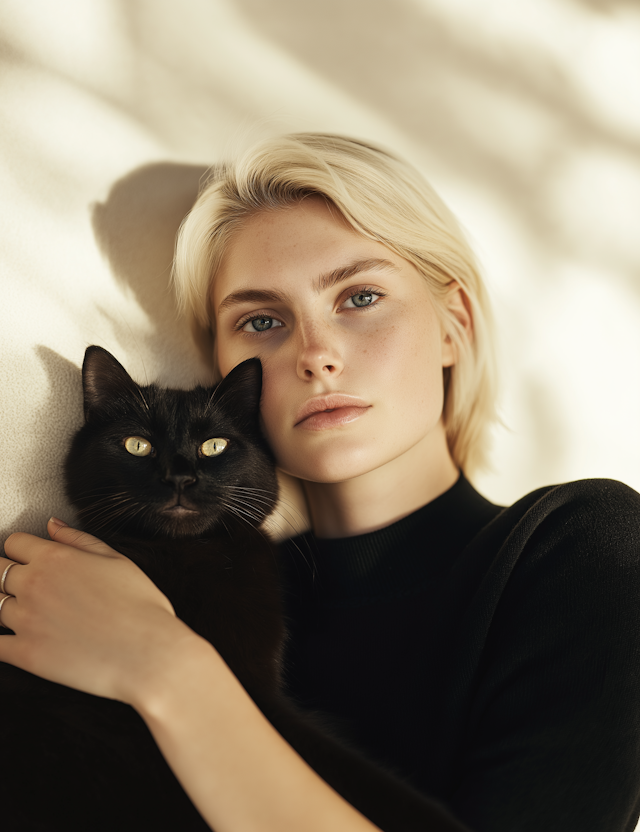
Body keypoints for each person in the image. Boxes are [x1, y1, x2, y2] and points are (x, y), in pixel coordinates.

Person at [1, 133, 639, 832]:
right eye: (263, 321)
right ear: (223, 373)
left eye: (360, 296)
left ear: (453, 325)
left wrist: (165, 672)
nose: (316, 355)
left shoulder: (583, 545)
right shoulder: (171, 580)